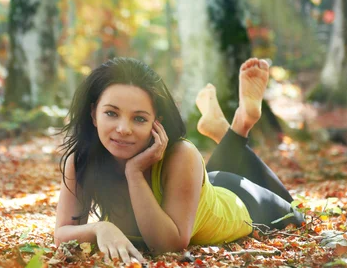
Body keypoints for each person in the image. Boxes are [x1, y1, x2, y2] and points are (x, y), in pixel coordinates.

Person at [54, 57, 303, 263]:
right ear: (93, 114)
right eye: (111, 113)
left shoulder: (181, 154)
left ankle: (241, 123)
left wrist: (134, 174)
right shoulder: (82, 159)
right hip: (201, 190)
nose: (123, 129)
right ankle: (225, 129)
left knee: (295, 212)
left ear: (156, 122)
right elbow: (62, 233)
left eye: (139, 118)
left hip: (244, 204)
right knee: (206, 178)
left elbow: (168, 246)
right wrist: (100, 228)